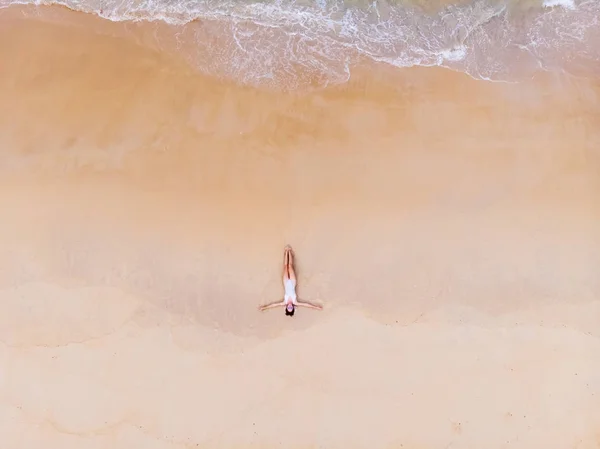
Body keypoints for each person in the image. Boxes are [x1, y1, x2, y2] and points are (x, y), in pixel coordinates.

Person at [259, 245, 323, 316]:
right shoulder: (295, 302)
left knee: (286, 267)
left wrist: (264, 308)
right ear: (293, 307)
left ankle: (286, 252)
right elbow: (306, 304)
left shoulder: (284, 302)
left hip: (286, 282)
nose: (290, 306)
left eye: (288, 308)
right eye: (291, 308)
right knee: (290, 266)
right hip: (292, 282)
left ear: (286, 307)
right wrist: (317, 307)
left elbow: (274, 305)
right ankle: (289, 251)